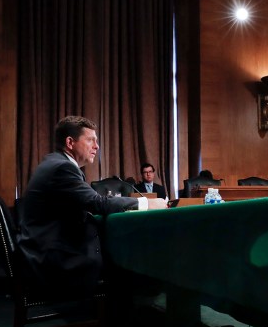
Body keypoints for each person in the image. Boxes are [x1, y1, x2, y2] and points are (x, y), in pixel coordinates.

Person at [17, 116, 167, 295]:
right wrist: (148, 203)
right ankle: (127, 317)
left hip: (46, 250)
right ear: (70, 142)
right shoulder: (62, 168)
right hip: (53, 259)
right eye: (91, 140)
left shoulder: (56, 163)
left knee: (125, 257)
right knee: (130, 262)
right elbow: (97, 203)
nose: (97, 146)